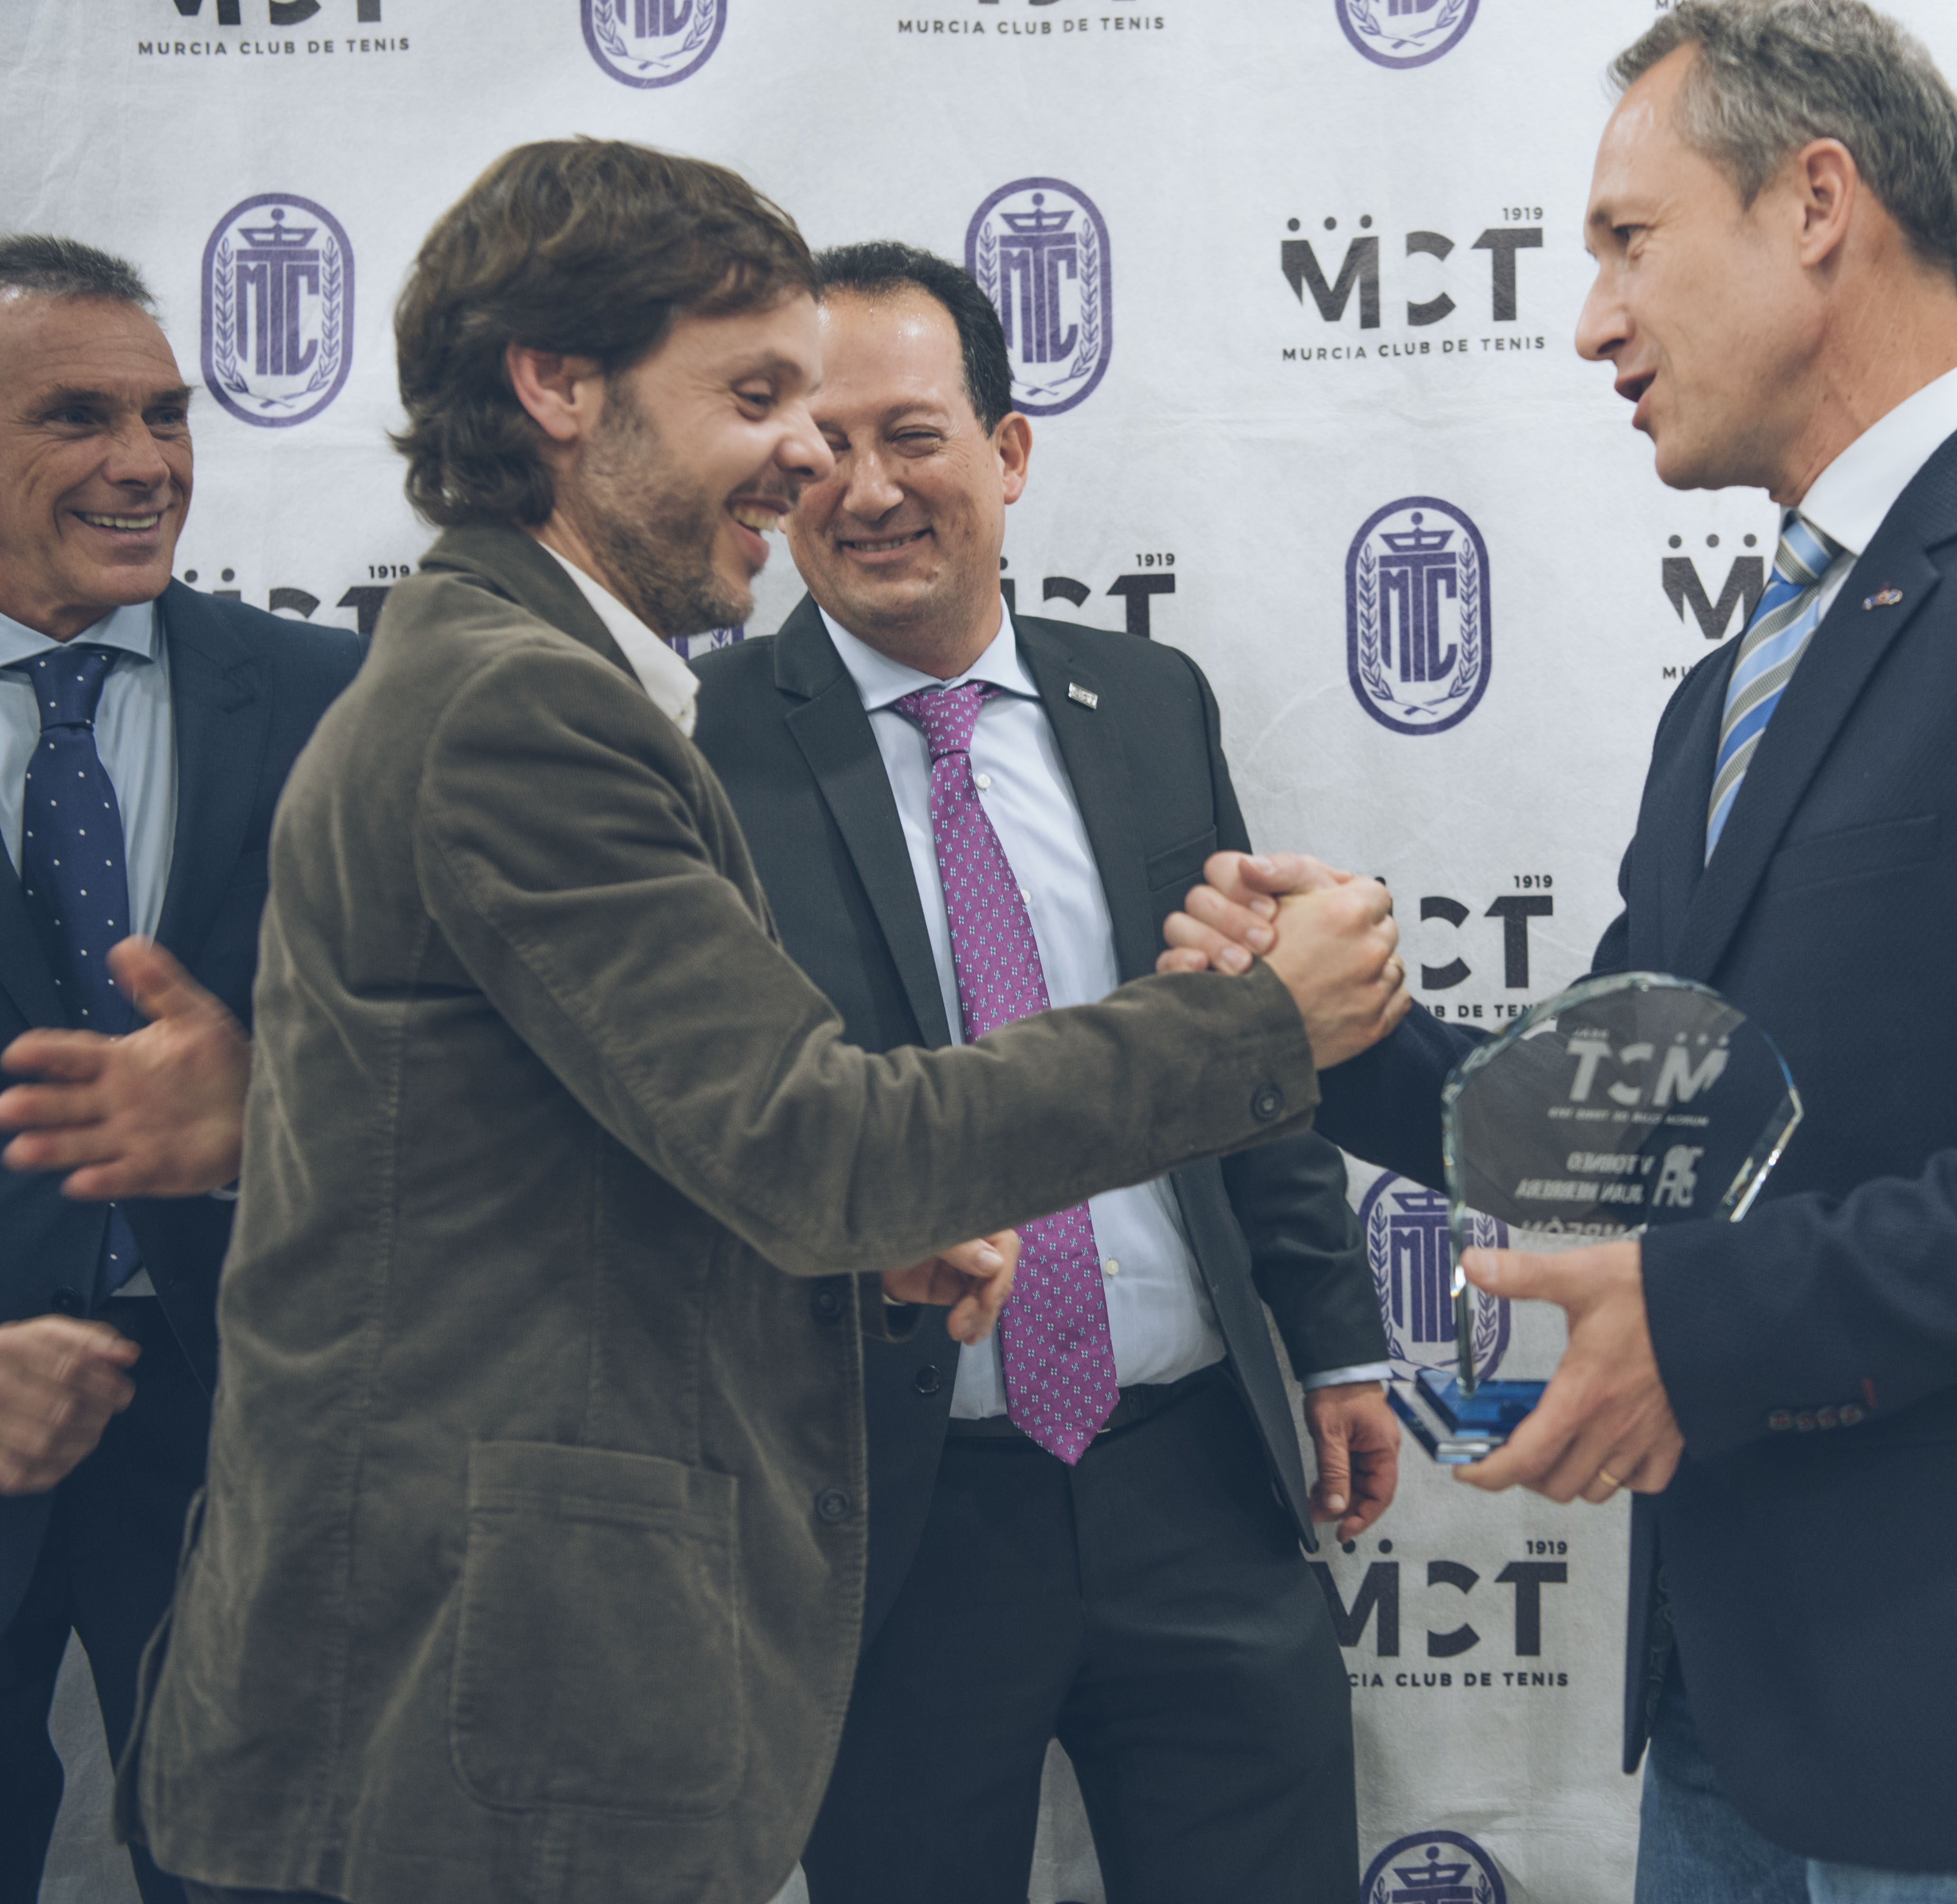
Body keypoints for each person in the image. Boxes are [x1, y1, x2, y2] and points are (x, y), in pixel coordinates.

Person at [35, 140, 1403, 1904]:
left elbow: (581, 1155)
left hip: (540, 1676)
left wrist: (841, 1250)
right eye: (758, 398)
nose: (811, 458)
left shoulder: (541, 681)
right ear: (559, 386)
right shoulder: (523, 709)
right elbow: (822, 1144)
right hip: (491, 1701)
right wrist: (1260, 1026)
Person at [1159, 4, 1957, 1899]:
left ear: (1817, 205)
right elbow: (1622, 1127)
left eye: (1627, 242)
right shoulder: (1732, 684)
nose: (1590, 322)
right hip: (1738, 1695)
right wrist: (1326, 1029)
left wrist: (1709, 1325)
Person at [687, 241, 1398, 1904]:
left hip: (1198, 1477)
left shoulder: (1148, 701)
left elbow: (1252, 1044)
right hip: (894, 1514)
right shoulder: (697, 750)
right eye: (823, 447)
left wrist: (1335, 1342)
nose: (868, 491)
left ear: (1008, 453)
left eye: (913, 436)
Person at [0, 236, 364, 1904]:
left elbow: (454, 1072)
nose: (145, 463)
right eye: (78, 417)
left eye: (166, 413)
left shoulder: (334, 699)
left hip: (258, 1434)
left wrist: (258, 1115)